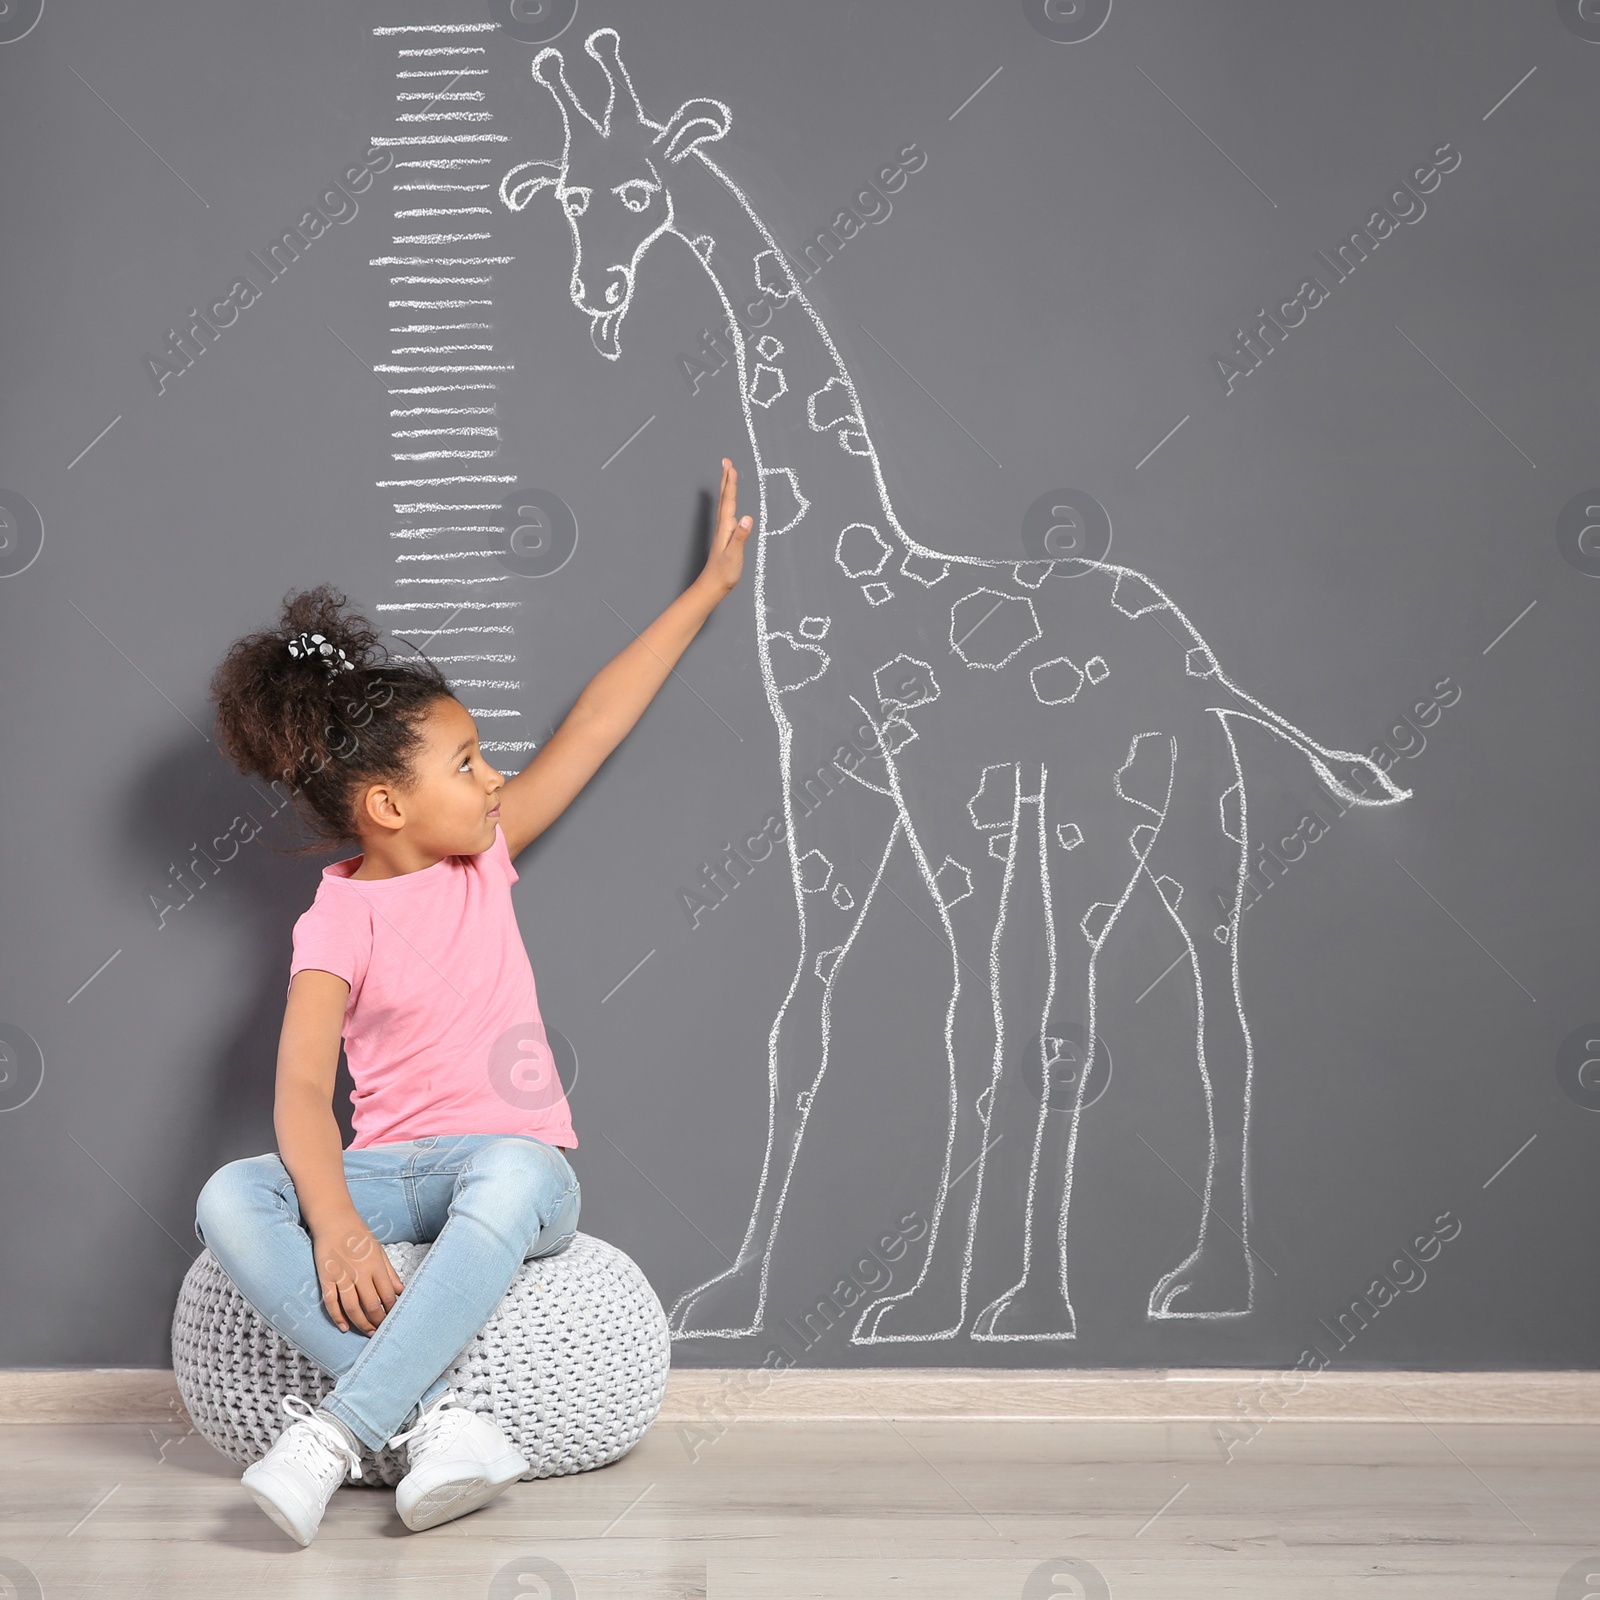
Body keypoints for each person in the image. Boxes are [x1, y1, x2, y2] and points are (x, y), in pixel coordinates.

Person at [192, 459, 753, 1546]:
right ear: (389, 802)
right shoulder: (334, 919)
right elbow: (303, 1092)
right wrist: (342, 1224)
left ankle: (336, 1432)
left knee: (507, 1165)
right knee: (228, 1195)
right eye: (468, 760)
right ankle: (438, 1427)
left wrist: (706, 591)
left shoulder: (480, 861)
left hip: (507, 1171)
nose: (495, 777)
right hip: (392, 1176)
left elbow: (592, 725)